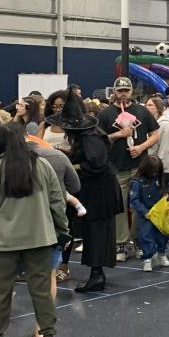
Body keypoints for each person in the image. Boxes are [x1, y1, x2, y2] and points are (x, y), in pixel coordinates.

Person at [0, 122, 68, 337]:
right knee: (42, 292)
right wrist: (62, 230)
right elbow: (57, 202)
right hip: (40, 239)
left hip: (2, 243)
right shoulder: (42, 165)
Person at [51, 90, 123, 293]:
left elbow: (96, 164)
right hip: (98, 190)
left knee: (96, 232)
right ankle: (96, 274)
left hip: (100, 192)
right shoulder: (89, 135)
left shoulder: (90, 136)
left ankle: (97, 275)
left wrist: (72, 166)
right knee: (95, 232)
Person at [97, 76, 159, 260]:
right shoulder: (105, 114)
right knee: (120, 207)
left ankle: (138, 240)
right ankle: (121, 244)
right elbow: (99, 139)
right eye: (120, 91)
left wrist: (141, 147)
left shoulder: (142, 111)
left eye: (126, 90)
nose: (123, 94)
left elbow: (155, 134)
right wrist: (118, 134)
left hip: (140, 166)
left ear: (132, 91)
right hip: (117, 167)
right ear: (114, 92)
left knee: (141, 205)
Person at [129, 155, 169, 272]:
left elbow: (165, 192)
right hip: (146, 214)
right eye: (153, 170)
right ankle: (147, 259)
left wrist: (167, 203)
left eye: (157, 170)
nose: (155, 173)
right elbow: (134, 200)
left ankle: (162, 253)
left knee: (163, 234)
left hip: (160, 213)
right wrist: (144, 212)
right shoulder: (137, 182)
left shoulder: (159, 179)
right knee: (146, 236)